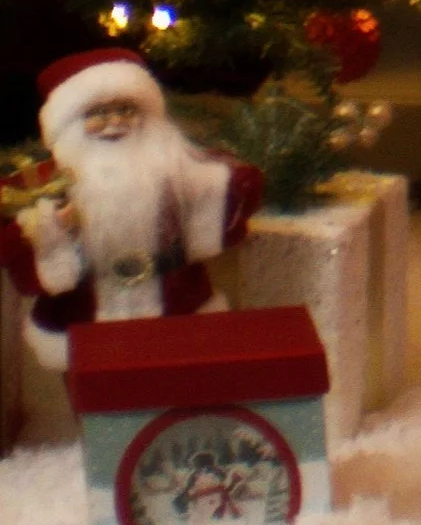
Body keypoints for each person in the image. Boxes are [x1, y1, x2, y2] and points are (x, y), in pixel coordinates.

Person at [0, 49, 263, 372]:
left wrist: (200, 181)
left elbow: (237, 193)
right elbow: (20, 256)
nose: (115, 122)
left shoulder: (180, 173)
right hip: (82, 321)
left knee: (178, 391)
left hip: (178, 309)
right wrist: (50, 225)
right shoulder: (43, 185)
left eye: (126, 109)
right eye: (98, 112)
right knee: (98, 406)